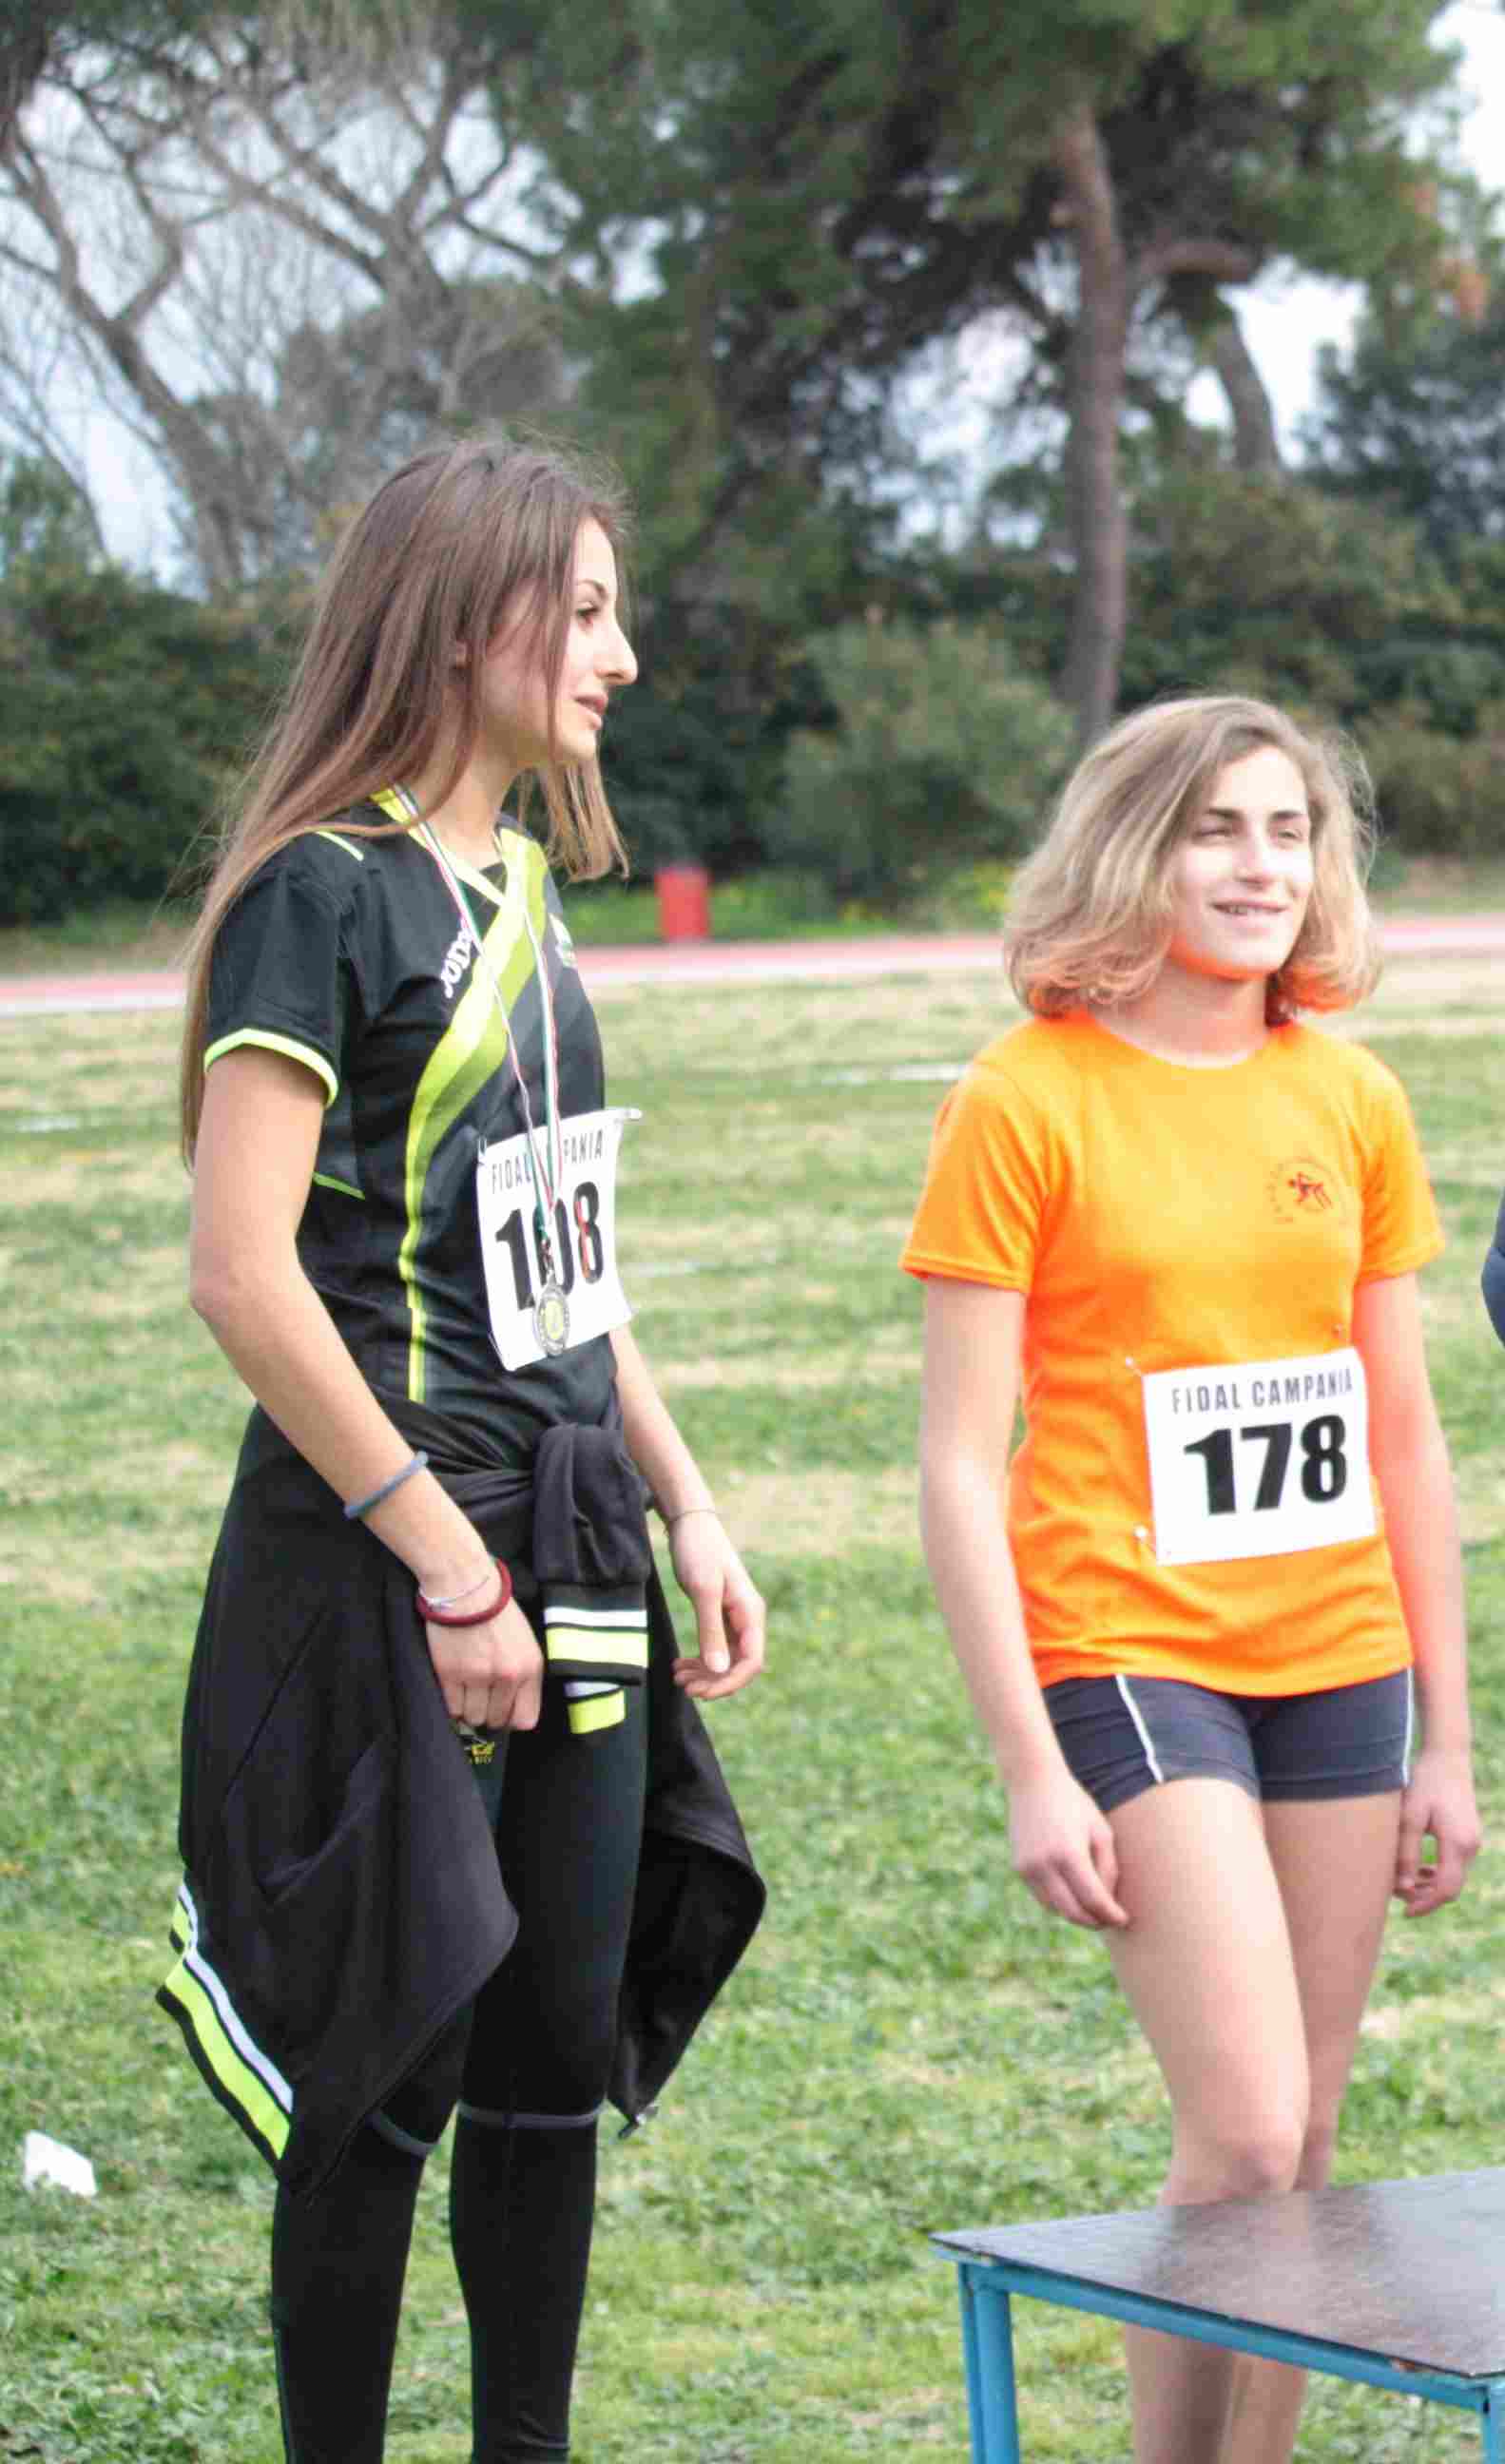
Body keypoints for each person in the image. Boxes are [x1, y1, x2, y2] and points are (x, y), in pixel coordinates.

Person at [156, 434, 766, 2464]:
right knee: (383, 2069)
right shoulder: (320, 895)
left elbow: (567, 1271)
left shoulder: (526, 893)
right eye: (583, 610)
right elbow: (242, 1274)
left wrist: (687, 1502)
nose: (619, 656)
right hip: (404, 1564)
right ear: (458, 617)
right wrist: (444, 1562)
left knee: (545, 2063)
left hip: (572, 1552)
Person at [901, 695, 1478, 2464]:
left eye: (1289, 831)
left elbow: (1405, 1438)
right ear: (1131, 849)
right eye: (1216, 829)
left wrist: (1450, 1739)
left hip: (1340, 1657)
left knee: (1307, 2150)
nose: (1259, 865)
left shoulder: (1349, 1095)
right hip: (1131, 1647)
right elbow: (955, 1462)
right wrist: (1029, 1763)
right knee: (1240, 2128)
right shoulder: (1027, 1094)